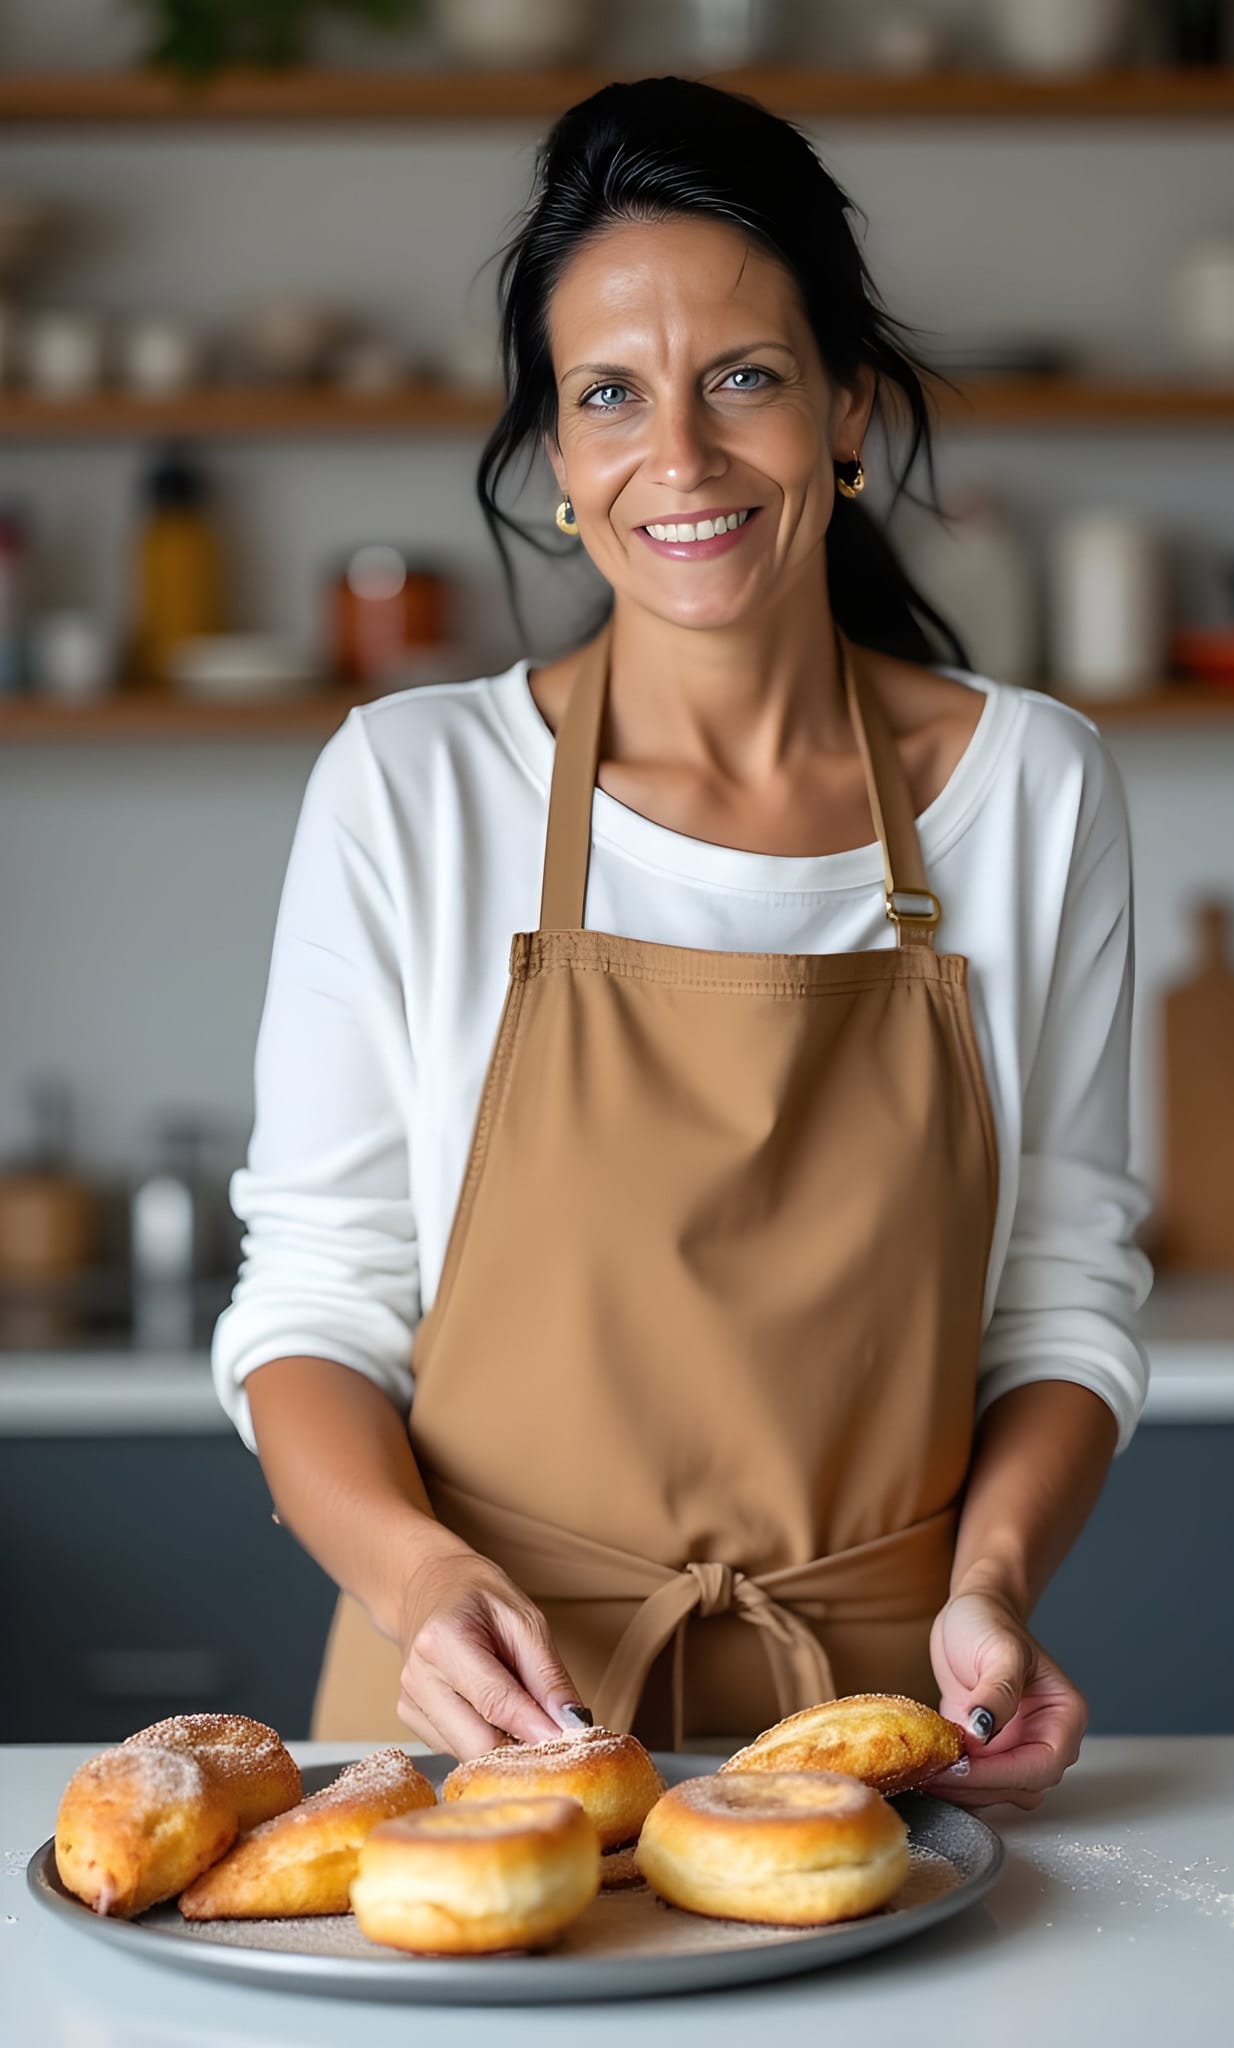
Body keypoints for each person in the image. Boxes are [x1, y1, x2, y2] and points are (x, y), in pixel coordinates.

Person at [212, 76, 1153, 1811]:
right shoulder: (411, 788)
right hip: (473, 1723)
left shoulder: (1029, 787)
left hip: (870, 1740)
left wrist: (991, 1587)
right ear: (561, 461)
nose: (683, 458)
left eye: (743, 379)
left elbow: (1062, 1295)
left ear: (846, 412)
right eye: (609, 397)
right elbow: (313, 1304)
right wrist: (424, 1589)